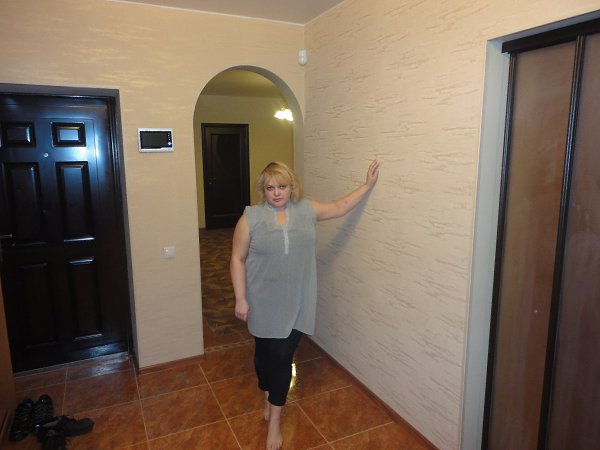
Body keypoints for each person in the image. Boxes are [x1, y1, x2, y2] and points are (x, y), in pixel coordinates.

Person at [230, 159, 380, 450]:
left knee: (282, 357)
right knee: (264, 356)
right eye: (270, 188)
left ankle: (275, 421)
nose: (277, 193)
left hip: (297, 300)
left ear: (292, 186)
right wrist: (240, 297)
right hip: (262, 300)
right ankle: (266, 391)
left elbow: (340, 207)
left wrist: (367, 184)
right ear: (263, 190)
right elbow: (237, 258)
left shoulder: (307, 209)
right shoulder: (251, 218)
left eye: (282, 186)